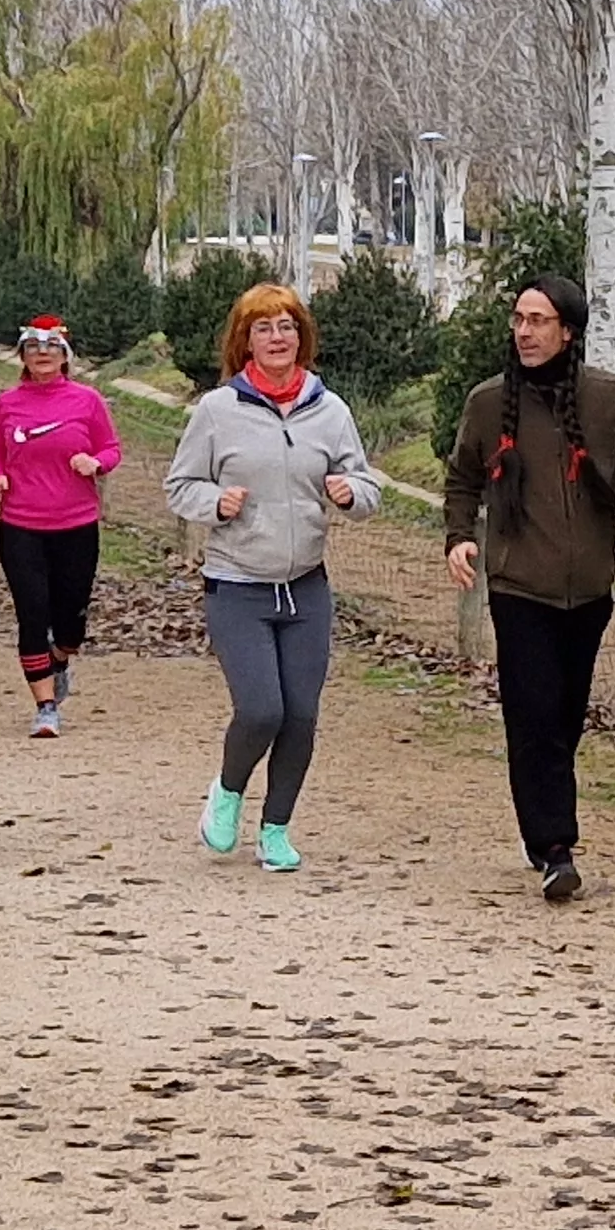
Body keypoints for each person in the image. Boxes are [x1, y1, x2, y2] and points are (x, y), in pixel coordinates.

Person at [441, 272, 615, 901]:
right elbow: (461, 479)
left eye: (538, 320)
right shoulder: (488, 403)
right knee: (534, 715)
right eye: (518, 318)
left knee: (564, 719)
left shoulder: (610, 399)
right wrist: (459, 535)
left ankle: (541, 826)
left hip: (589, 591)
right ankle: (555, 847)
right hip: (518, 588)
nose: (524, 331)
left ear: (567, 331)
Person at [163, 283, 376, 875]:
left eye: (286, 326)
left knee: (301, 714)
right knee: (262, 709)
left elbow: (367, 487)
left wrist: (349, 491)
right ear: (245, 341)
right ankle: (228, 792)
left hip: (307, 585)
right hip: (238, 584)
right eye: (264, 328)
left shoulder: (329, 410)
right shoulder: (217, 411)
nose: (277, 337)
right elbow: (181, 486)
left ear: (301, 337)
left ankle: (276, 828)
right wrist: (216, 504)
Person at [0, 313, 121, 735]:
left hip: (76, 524)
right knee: (31, 612)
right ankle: (45, 707)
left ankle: (60, 658)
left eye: (51, 349)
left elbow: (111, 449)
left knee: (70, 623)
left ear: (65, 356)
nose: (42, 355)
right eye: (33, 348)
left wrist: (95, 462)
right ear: (22, 357)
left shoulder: (87, 401)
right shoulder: (6, 405)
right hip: (21, 524)